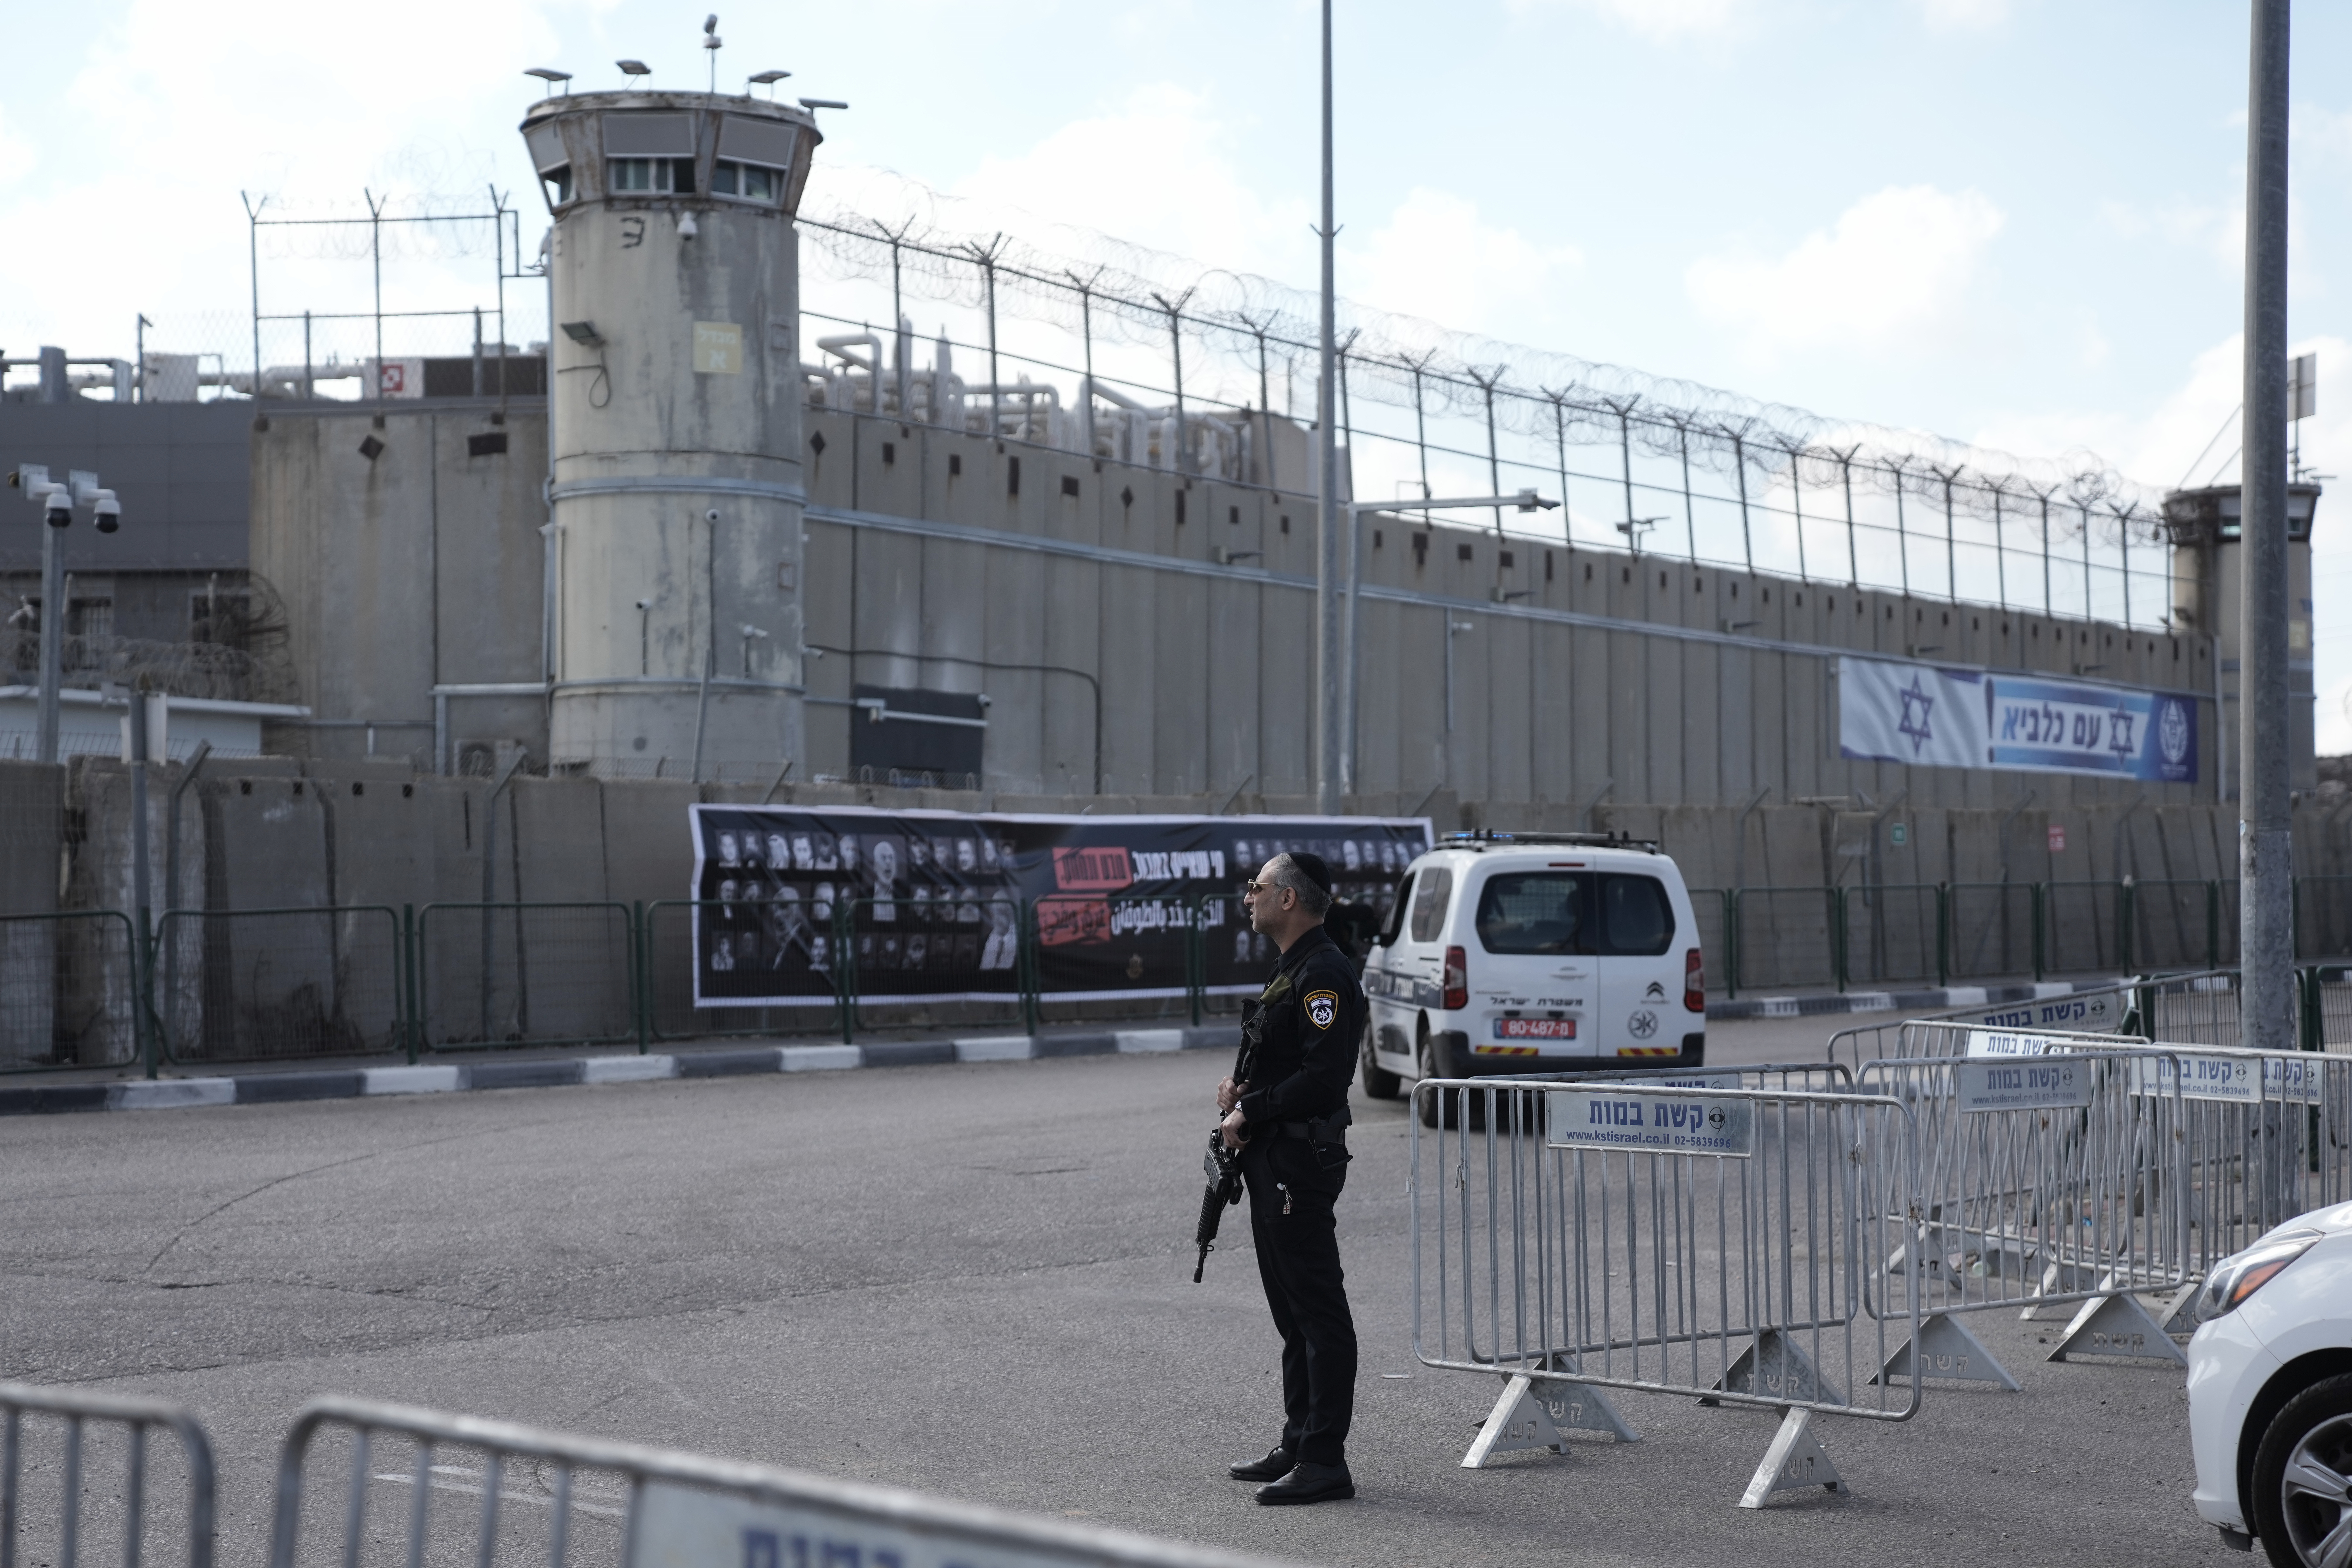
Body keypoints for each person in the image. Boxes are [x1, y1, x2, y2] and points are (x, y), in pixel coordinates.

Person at [1215, 851, 1362, 1506]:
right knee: (1292, 1312)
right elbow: (1289, 1059)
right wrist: (1243, 1089)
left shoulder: (1325, 971)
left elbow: (1326, 1078)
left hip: (1300, 1163)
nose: (1248, 896)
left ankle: (1326, 1460)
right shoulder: (1294, 968)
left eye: (1257, 887)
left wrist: (1256, 1106)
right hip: (1274, 1158)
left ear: (1290, 900)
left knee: (1318, 1311)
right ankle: (1300, 1439)